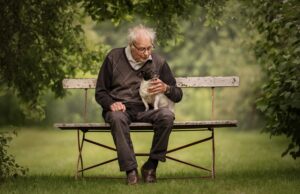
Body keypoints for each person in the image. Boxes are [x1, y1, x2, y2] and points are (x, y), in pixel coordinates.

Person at [95, 25, 183, 185]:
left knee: (167, 116)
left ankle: (151, 166)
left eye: (150, 48)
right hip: (120, 110)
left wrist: (166, 88)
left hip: (147, 110)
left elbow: (178, 95)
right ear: (131, 45)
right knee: (116, 117)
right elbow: (100, 92)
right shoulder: (113, 57)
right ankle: (131, 171)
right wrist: (111, 104)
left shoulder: (159, 62)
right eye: (142, 49)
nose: (147, 53)